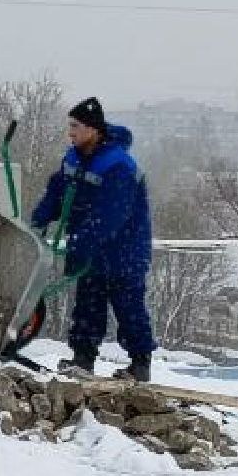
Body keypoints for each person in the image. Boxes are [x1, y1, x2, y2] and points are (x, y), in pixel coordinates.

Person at [29, 96, 155, 381]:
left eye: (76, 126)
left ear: (93, 130)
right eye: (69, 125)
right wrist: (39, 218)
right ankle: (83, 358)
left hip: (125, 250)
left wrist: (80, 245)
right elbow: (58, 191)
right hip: (93, 249)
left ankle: (140, 364)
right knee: (87, 303)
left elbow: (110, 215)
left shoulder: (118, 165)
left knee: (128, 305)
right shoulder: (73, 157)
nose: (70, 132)